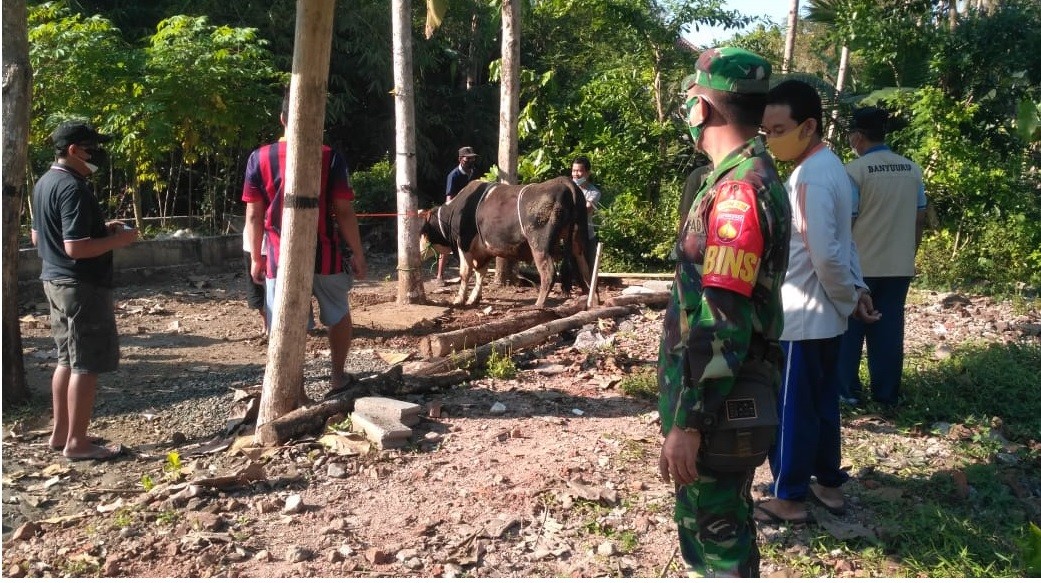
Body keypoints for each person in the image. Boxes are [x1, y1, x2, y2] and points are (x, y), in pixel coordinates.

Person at [657, 47, 791, 577]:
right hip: (723, 396)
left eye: (691, 97)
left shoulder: (737, 193)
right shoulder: (741, 176)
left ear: (705, 107)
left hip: (717, 405)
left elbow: (722, 320)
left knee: (715, 536)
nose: (687, 109)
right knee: (721, 521)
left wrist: (689, 421)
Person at [755, 80, 880, 523]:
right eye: (766, 130)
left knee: (792, 410)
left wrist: (847, 297)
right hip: (827, 317)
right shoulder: (836, 170)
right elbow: (847, 244)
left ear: (809, 126)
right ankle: (828, 484)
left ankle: (788, 496)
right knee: (824, 406)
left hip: (803, 316)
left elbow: (827, 255)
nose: (770, 138)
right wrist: (857, 291)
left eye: (779, 128)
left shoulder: (809, 178)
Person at [242, 94, 367, 394]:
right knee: (337, 315)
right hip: (324, 255)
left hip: (277, 258)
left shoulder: (258, 158)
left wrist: (256, 259)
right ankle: (337, 378)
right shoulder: (330, 156)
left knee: (282, 324)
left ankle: (292, 389)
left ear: (282, 118)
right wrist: (358, 253)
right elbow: (344, 211)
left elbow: (253, 215)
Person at [31, 120, 139, 460]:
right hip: (81, 288)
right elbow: (76, 248)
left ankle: (62, 433)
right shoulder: (73, 188)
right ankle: (77, 443)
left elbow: (39, 237)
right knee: (86, 365)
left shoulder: (45, 182)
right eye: (92, 148)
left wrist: (100, 229)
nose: (98, 154)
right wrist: (119, 240)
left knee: (66, 359)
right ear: (74, 151)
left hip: (55, 282)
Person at [837, 107, 927, 407]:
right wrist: (909, 252)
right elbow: (919, 218)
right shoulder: (911, 169)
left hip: (860, 267)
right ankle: (886, 395)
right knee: (889, 331)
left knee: (850, 330)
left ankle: (847, 391)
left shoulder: (854, 171)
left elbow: (846, 221)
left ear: (858, 136)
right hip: (899, 266)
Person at [558, 155, 602, 293]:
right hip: (567, 234)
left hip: (585, 234)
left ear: (587, 173)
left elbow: (587, 209)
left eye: (579, 171)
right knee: (568, 265)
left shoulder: (593, 192)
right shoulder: (564, 188)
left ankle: (591, 293)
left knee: (589, 266)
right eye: (573, 170)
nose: (575, 174)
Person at [435, 146, 478, 282]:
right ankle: (439, 276)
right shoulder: (453, 176)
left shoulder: (473, 173)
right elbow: (449, 200)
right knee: (449, 245)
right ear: (460, 159)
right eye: (468, 159)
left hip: (472, 213)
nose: (471, 161)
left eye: (473, 158)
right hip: (455, 214)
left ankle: (466, 274)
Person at [242, 225, 267, 336]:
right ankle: (267, 323)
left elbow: (252, 216)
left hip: (268, 246)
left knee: (258, 288)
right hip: (255, 246)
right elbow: (252, 216)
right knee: (257, 290)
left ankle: (268, 323)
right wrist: (256, 258)